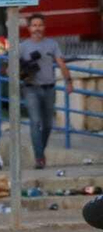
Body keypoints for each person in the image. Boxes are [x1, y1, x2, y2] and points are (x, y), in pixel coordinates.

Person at [19, 14, 74, 170]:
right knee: (35, 122)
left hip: (49, 88)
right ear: (29, 28)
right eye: (34, 25)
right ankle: (39, 158)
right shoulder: (23, 46)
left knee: (48, 125)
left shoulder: (52, 44)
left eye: (40, 25)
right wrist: (23, 70)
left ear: (44, 27)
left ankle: (40, 152)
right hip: (31, 88)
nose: (37, 28)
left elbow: (61, 63)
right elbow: (10, 68)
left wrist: (68, 82)